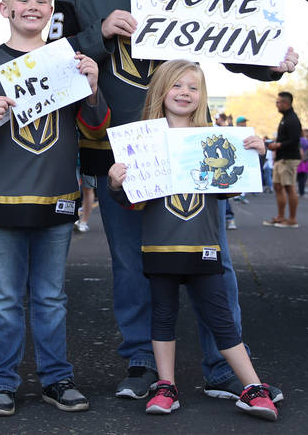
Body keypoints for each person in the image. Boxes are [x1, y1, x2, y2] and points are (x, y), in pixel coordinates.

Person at [50, 0, 295, 402]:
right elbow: (51, 62)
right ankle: (142, 363)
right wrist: (97, 32)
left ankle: (221, 365)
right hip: (118, 149)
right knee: (130, 260)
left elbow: (221, 37)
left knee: (213, 260)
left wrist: (266, 62)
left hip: (189, 148)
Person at [0, 0, 109, 416]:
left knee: (50, 297)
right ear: (5, 9)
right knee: (3, 299)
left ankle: (56, 379)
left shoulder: (70, 58)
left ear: (51, 11)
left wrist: (94, 87)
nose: (32, 7)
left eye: (41, 1)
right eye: (23, 1)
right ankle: (2, 382)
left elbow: (95, 126)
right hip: (0, 202)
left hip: (57, 199)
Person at [107, 60, 279, 421]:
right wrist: (115, 183)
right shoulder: (142, 139)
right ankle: (166, 386)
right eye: (176, 85)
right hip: (160, 247)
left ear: (201, 96)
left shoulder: (214, 139)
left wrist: (254, 156)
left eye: (192, 87)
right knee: (163, 318)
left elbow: (227, 190)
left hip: (204, 246)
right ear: (160, 90)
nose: (184, 93)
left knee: (221, 318)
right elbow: (130, 201)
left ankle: (252, 386)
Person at [264, 92, 302, 228]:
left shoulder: (292, 119)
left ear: (286, 103)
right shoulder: (286, 117)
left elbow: (294, 140)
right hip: (281, 158)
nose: (277, 105)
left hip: (289, 159)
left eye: (278, 102)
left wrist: (277, 145)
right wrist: (273, 142)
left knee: (289, 187)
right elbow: (285, 138)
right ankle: (280, 217)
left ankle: (292, 219)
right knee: (278, 187)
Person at [296, 129, 308, 197]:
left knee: (298, 176)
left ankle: (299, 190)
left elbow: (300, 149)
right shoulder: (305, 140)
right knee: (303, 176)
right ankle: (302, 191)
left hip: (298, 159)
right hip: (305, 160)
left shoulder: (298, 140)